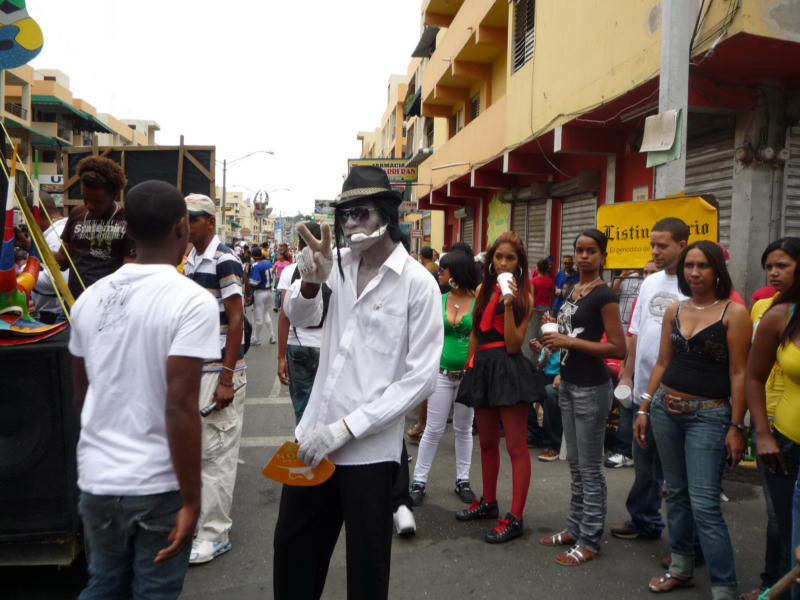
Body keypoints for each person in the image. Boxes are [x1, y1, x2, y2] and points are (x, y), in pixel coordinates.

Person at [273, 166, 441, 600]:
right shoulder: (337, 266)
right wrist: (311, 281)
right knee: (293, 554)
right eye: (345, 214)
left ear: (386, 214)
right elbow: (302, 318)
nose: (350, 224)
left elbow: (420, 379)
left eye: (361, 213)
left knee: (367, 569)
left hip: (367, 452)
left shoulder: (418, 284)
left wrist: (345, 428)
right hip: (312, 438)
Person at [69, 180, 219, 599]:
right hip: (156, 486)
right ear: (180, 229)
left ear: (128, 230)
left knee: (104, 584)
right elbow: (181, 405)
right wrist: (192, 500)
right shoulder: (191, 301)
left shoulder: (88, 300)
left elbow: (83, 396)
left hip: (98, 482)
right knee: (153, 592)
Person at [635, 241, 750, 598]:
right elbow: (662, 363)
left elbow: (739, 374)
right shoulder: (674, 309)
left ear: (717, 270)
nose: (695, 273)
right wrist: (644, 406)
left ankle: (724, 587)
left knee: (704, 504)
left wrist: (736, 425)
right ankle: (681, 568)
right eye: (689, 266)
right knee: (677, 494)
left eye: (702, 265)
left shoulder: (733, 312)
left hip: (709, 416)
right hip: (665, 409)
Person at [538, 229, 625, 566]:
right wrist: (551, 337)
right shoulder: (574, 288)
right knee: (574, 464)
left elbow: (618, 347)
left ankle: (590, 539)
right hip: (569, 383)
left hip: (592, 387)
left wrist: (568, 343)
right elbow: (571, 333)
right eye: (579, 250)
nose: (585, 256)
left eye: (591, 251)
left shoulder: (605, 295)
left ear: (603, 255)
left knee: (590, 469)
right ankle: (574, 528)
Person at [454, 231, 541, 544]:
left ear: (519, 264)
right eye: (499, 257)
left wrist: (507, 302)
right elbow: (475, 333)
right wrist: (468, 368)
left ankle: (515, 517)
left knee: (516, 447)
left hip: (509, 368)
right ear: (490, 260)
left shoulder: (524, 297)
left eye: (510, 258)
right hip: (483, 369)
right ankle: (488, 502)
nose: (503, 263)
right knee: (487, 442)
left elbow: (515, 344)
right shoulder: (481, 289)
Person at [610, 221, 688, 539]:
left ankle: (686, 544)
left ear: (682, 245)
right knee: (644, 464)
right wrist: (627, 373)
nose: (655, 251)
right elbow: (635, 331)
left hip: (677, 393)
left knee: (678, 474)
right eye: (652, 245)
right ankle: (644, 520)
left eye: (663, 245)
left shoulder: (694, 284)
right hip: (642, 390)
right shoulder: (649, 282)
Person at [182, 193, 247, 565]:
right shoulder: (189, 260)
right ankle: (200, 523)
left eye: (193, 217)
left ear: (209, 221)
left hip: (219, 370)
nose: (187, 223)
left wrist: (227, 377)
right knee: (197, 451)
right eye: (184, 217)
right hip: (196, 368)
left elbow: (236, 320)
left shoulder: (225, 260)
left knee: (218, 454)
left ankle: (215, 533)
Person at [743, 237, 800, 600]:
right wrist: (761, 435)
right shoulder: (779, 315)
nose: (773, 273)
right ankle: (773, 587)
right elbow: (752, 376)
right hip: (784, 440)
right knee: (783, 523)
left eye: (782, 265)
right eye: (769, 266)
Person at [410, 246, 480, 506]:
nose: (438, 273)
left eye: (443, 269)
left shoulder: (477, 301)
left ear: (456, 273)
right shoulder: (437, 300)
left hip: (467, 375)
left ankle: (463, 480)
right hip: (440, 374)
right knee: (432, 429)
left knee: (463, 430)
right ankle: (418, 482)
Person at [15, 156, 135, 300]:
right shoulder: (77, 214)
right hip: (74, 304)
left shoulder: (127, 220)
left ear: (114, 195)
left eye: (98, 201)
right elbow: (63, 261)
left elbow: (129, 274)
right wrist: (29, 246)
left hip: (108, 307)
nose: (90, 205)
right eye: (85, 198)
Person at [276, 221, 325, 424]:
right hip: (325, 345)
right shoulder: (332, 270)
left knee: (302, 406)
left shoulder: (290, 271)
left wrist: (280, 358)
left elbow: (284, 315)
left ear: (299, 245)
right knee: (325, 404)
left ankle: (302, 444)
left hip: (297, 344)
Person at [30, 191, 69, 324]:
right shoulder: (59, 229)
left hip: (54, 316)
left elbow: (57, 281)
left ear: (34, 215)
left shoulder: (55, 235)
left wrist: (22, 271)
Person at [248, 246, 275, 345]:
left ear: (254, 256)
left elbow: (255, 282)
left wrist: (247, 282)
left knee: (258, 319)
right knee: (266, 313)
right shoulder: (268, 263)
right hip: (269, 291)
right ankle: (272, 335)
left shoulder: (256, 266)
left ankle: (256, 338)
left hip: (260, 293)